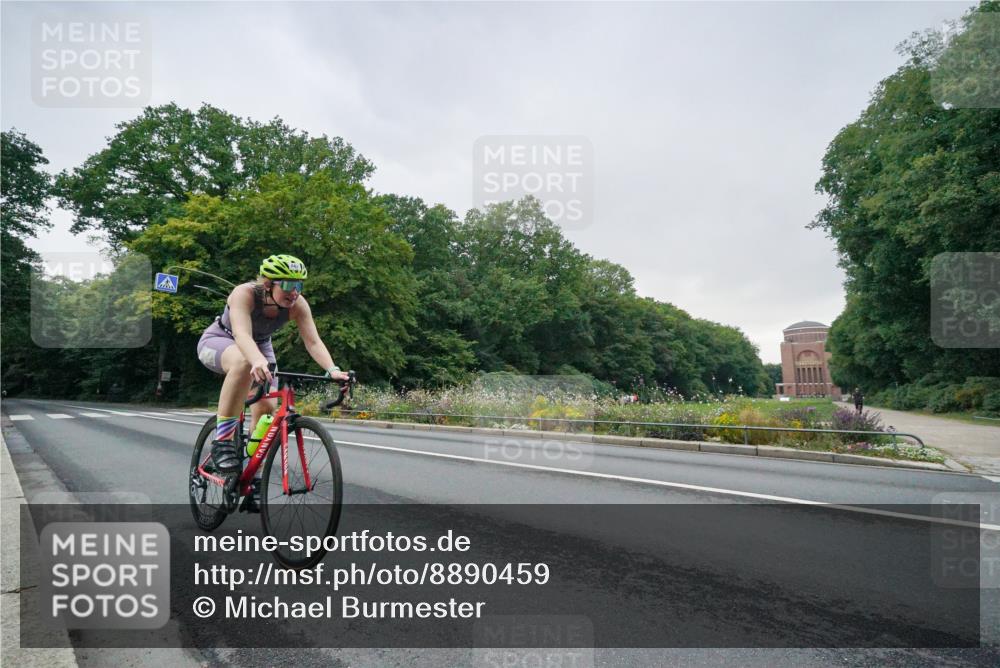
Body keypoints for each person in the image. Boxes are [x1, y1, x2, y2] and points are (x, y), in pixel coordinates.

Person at [196, 254, 351, 479]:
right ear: (268, 284)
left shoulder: (298, 304)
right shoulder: (244, 293)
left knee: (267, 410)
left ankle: (253, 475)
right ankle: (223, 442)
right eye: (288, 284)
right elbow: (241, 334)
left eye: (299, 285)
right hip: (221, 340)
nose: (295, 291)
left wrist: (332, 370)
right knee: (243, 362)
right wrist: (256, 360)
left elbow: (313, 341)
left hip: (260, 347)